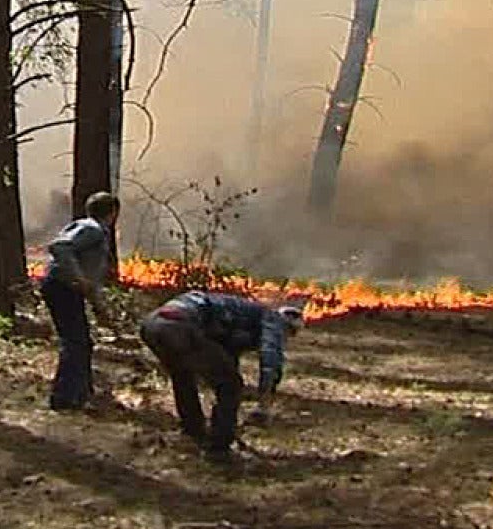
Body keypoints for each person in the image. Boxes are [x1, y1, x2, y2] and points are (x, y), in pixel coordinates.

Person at [139, 291, 304, 462]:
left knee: (183, 375)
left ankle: (193, 434)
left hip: (151, 325)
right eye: (289, 333)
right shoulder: (273, 319)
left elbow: (226, 357)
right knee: (231, 385)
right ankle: (219, 450)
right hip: (180, 326)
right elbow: (271, 357)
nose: (285, 338)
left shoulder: (239, 316)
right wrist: (264, 401)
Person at [41, 191, 120, 411]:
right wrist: (77, 277)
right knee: (75, 343)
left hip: (66, 289)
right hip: (62, 288)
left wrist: (99, 308)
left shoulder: (90, 228)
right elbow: (59, 247)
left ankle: (81, 394)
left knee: (82, 342)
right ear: (113, 213)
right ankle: (64, 398)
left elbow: (90, 279)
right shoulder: (92, 229)